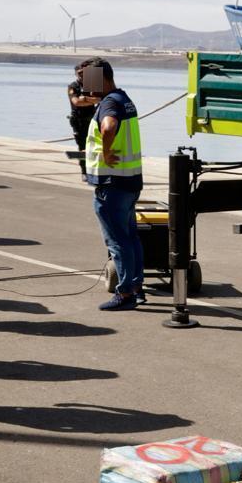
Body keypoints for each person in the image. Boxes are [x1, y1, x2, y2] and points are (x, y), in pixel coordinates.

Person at [84, 60, 146, 312]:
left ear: (101, 79)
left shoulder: (109, 103)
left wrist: (107, 152)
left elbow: (108, 126)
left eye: (86, 79)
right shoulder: (123, 99)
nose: (84, 86)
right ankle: (136, 287)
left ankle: (125, 293)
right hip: (130, 181)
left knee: (117, 241)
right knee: (130, 237)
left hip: (112, 183)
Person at [67, 60, 98, 176]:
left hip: (92, 119)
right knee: (82, 146)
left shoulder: (92, 84)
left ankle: (93, 169)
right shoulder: (73, 86)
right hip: (79, 120)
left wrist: (85, 99)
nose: (82, 75)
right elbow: (76, 102)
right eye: (80, 73)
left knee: (94, 146)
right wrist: (89, 100)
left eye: (85, 73)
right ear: (76, 74)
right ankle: (84, 171)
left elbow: (99, 99)